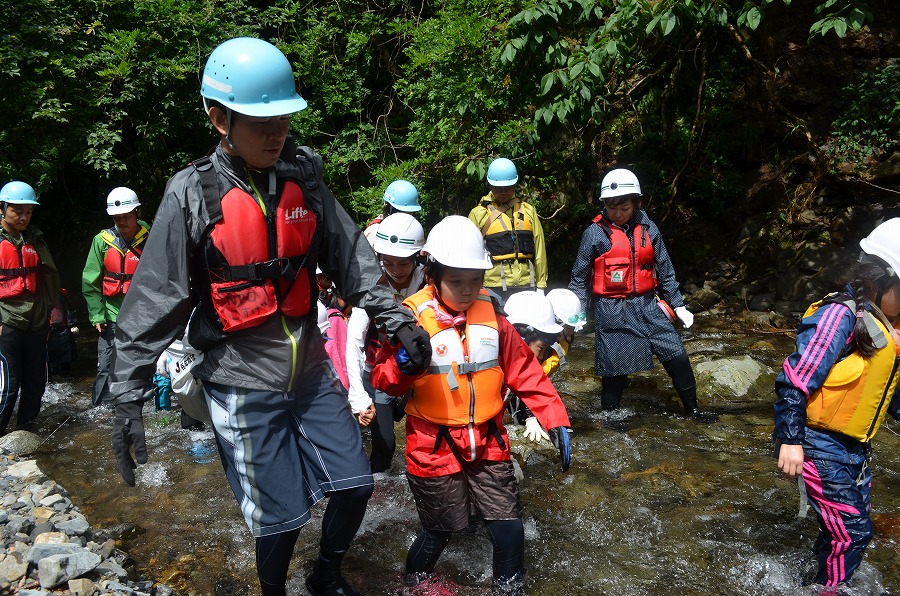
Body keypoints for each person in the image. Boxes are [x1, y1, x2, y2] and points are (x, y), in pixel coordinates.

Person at [106, 37, 432, 596]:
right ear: (219, 118)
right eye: (261, 121)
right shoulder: (191, 194)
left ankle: (326, 573)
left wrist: (396, 318)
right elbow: (154, 298)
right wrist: (126, 392)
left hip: (309, 375)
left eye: (282, 117)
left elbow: (352, 257)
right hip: (241, 383)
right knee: (282, 520)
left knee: (355, 487)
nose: (277, 131)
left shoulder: (303, 179)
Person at [370, 215, 571, 594]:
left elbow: (526, 371)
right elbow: (381, 379)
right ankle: (415, 582)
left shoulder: (493, 318)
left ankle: (508, 588)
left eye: (476, 280)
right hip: (433, 444)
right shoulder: (409, 321)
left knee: (509, 529)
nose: (468, 290)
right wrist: (402, 365)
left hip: (489, 439)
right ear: (433, 274)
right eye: (457, 281)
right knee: (441, 530)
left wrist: (555, 417)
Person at [774, 218, 900, 588]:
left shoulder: (885, 323)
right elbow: (794, 380)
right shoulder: (839, 315)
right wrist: (790, 440)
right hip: (816, 444)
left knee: (842, 530)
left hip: (854, 449)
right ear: (879, 278)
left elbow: (886, 394)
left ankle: (810, 582)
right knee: (854, 533)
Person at [568, 168, 716, 422]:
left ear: (637, 202)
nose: (617, 213)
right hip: (613, 309)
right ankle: (610, 417)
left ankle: (693, 409)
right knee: (614, 369)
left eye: (624, 207)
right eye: (611, 207)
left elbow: (666, 270)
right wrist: (575, 312)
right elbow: (579, 278)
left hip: (649, 304)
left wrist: (678, 305)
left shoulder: (649, 229)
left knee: (676, 355)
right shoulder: (594, 233)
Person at [346, 212, 426, 472]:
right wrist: (357, 396)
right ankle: (374, 498)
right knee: (385, 448)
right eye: (388, 263)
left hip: (417, 376)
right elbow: (354, 342)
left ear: (416, 257)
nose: (396, 270)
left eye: (403, 263)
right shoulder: (370, 286)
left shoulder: (429, 282)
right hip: (380, 376)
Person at [0, 181, 60, 435]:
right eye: (17, 211)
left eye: (29, 211)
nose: (24, 216)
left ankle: (26, 431)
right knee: (8, 384)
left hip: (36, 322)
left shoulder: (35, 239)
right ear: (2, 209)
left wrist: (48, 314)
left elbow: (50, 278)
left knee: (36, 381)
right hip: (7, 322)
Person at [81, 186, 150, 405]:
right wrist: (96, 315)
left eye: (126, 217)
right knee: (106, 365)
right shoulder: (101, 241)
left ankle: (140, 403)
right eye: (116, 218)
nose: (121, 222)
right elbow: (90, 282)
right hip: (111, 315)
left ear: (138, 213)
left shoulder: (151, 237)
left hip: (142, 316)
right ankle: (101, 409)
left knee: (142, 363)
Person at [467, 158, 547, 303]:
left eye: (508, 187)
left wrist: (541, 284)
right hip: (493, 286)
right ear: (490, 185)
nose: (503, 192)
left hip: (526, 286)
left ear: (515, 185)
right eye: (498, 188)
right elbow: (469, 253)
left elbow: (539, 248)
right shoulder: (478, 213)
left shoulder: (528, 211)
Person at [502, 290, 565, 444]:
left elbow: (529, 385)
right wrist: (529, 416)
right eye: (541, 348)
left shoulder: (514, 354)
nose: (543, 356)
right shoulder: (492, 356)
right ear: (520, 338)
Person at [362, 179, 422, 246]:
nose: (405, 217)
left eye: (409, 212)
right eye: (401, 212)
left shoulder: (414, 231)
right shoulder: (374, 231)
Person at [48, 287, 79, 376]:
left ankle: (65, 372)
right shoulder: (41, 295)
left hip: (63, 328)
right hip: (48, 329)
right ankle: (53, 371)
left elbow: (69, 309)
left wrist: (72, 324)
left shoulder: (61, 296)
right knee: (51, 355)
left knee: (66, 354)